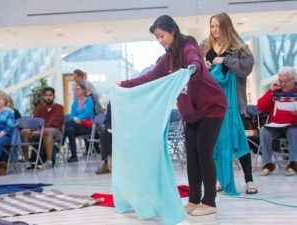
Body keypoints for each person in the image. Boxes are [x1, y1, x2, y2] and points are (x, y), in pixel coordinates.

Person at [119, 15, 227, 216]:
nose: (160, 40)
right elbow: (151, 77)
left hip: (212, 106)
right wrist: (124, 84)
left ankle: (209, 202)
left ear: (173, 31)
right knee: (191, 155)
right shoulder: (168, 58)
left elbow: (195, 60)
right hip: (192, 111)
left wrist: (193, 68)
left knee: (203, 152)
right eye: (157, 37)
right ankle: (194, 199)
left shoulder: (187, 47)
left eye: (162, 36)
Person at [200, 12, 257, 195]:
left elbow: (247, 67)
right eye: (212, 26)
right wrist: (203, 63)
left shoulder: (239, 47)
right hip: (211, 104)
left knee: (239, 140)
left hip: (234, 104)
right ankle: (218, 178)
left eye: (218, 26)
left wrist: (224, 59)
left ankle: (249, 180)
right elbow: (193, 66)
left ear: (226, 26)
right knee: (215, 142)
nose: (215, 29)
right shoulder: (205, 46)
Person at [257, 67, 297, 176]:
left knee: (294, 132)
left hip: (293, 125)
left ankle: (293, 164)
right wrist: (270, 91)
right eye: (280, 81)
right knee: (263, 131)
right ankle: (268, 164)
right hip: (276, 126)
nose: (282, 84)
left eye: (286, 81)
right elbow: (260, 106)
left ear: (294, 79)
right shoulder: (275, 91)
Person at [21, 87, 64, 169]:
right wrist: (33, 130)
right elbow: (34, 121)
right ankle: (27, 162)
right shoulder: (40, 108)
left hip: (55, 131)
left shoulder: (59, 107)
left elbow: (53, 122)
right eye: (46, 95)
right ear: (44, 97)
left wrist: (40, 131)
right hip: (40, 131)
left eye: (50, 95)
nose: (48, 97)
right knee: (24, 132)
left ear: (54, 96)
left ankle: (49, 161)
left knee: (47, 131)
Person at [62, 82, 94, 162]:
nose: (77, 91)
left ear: (83, 90)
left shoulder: (89, 101)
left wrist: (77, 119)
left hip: (86, 127)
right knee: (70, 130)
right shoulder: (75, 103)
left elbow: (87, 114)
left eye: (78, 89)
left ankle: (62, 141)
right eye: (76, 89)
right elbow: (71, 115)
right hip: (76, 125)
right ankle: (74, 155)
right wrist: (75, 119)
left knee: (69, 123)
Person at [0, 91, 14, 164]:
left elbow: (9, 128)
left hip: (5, 135)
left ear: (5, 100)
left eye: (0, 99)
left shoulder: (10, 112)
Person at [95, 102, 112, 174]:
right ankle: (106, 162)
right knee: (103, 132)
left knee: (107, 133)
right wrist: (105, 126)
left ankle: (108, 163)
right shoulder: (111, 104)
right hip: (112, 127)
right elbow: (108, 120)